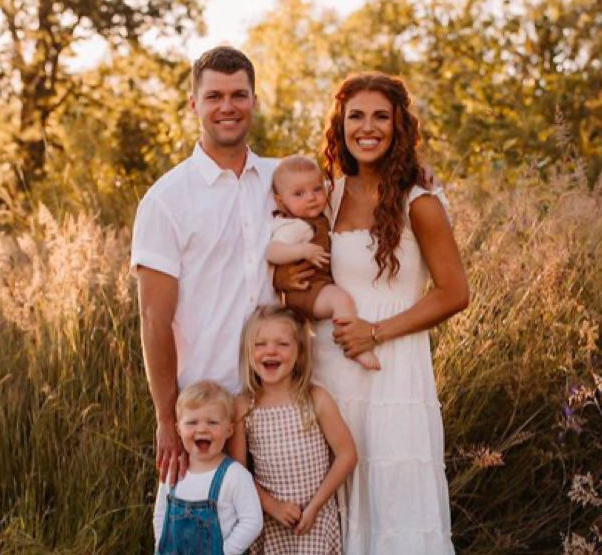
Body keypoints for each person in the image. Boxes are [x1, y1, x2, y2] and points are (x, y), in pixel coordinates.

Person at [130, 46, 311, 486]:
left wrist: (416, 179)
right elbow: (154, 320)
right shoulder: (166, 199)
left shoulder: (281, 181)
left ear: (254, 100)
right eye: (214, 96)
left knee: (285, 537)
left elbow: (348, 199)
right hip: (205, 413)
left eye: (238, 94)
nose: (227, 107)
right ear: (194, 104)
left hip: (278, 403)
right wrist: (167, 419)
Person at [309, 72, 470, 554]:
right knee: (337, 505)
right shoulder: (327, 197)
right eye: (356, 116)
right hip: (332, 372)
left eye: (381, 116)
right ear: (340, 125)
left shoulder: (419, 203)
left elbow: (454, 292)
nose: (368, 127)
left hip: (394, 373)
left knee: (394, 502)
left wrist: (375, 332)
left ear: (400, 126)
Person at [230, 305, 358, 555]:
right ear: (248, 352)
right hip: (272, 522)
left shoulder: (315, 399)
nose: (270, 351)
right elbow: (238, 473)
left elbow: (347, 455)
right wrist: (273, 507)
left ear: (299, 353)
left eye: (282, 344)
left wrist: (314, 507)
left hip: (316, 520)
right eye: (260, 344)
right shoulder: (244, 406)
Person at [267, 155, 380, 371]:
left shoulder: (319, 213)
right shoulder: (294, 226)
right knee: (341, 299)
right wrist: (302, 250)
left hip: (316, 288)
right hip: (306, 289)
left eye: (316, 190)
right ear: (280, 201)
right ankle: (355, 345)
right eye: (299, 194)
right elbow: (272, 251)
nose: (311, 198)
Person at [153, 381, 263, 555]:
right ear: (178, 430)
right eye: (192, 423)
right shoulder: (173, 473)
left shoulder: (234, 475)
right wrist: (161, 544)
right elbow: (161, 515)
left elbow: (252, 520)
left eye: (212, 422)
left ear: (229, 430)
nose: (202, 429)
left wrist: (226, 551)